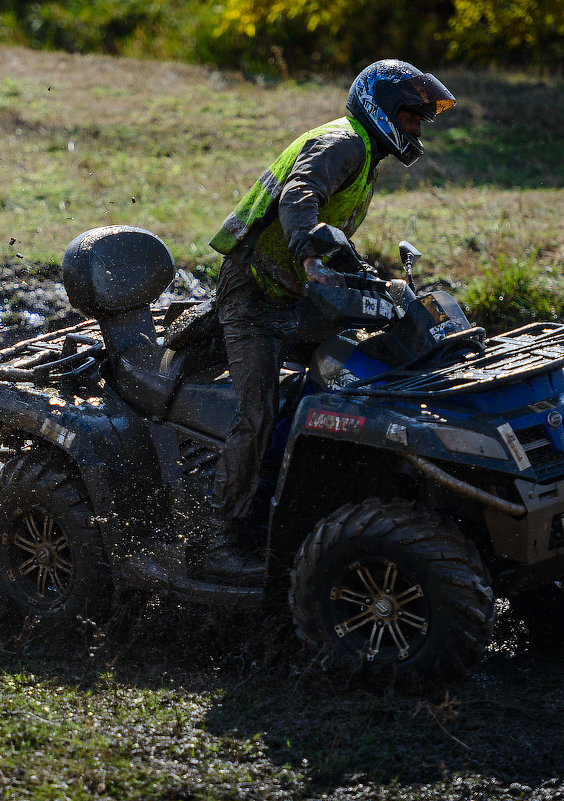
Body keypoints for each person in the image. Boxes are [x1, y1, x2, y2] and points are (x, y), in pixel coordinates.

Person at [204, 60, 456, 580]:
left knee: (358, 380)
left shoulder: (365, 158)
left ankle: (306, 497)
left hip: (289, 293)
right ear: (381, 110)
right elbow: (300, 197)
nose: (416, 128)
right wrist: (310, 260)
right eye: (410, 117)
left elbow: (332, 232)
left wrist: (366, 276)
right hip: (253, 294)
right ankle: (218, 539)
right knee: (255, 415)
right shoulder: (345, 143)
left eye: (419, 121)